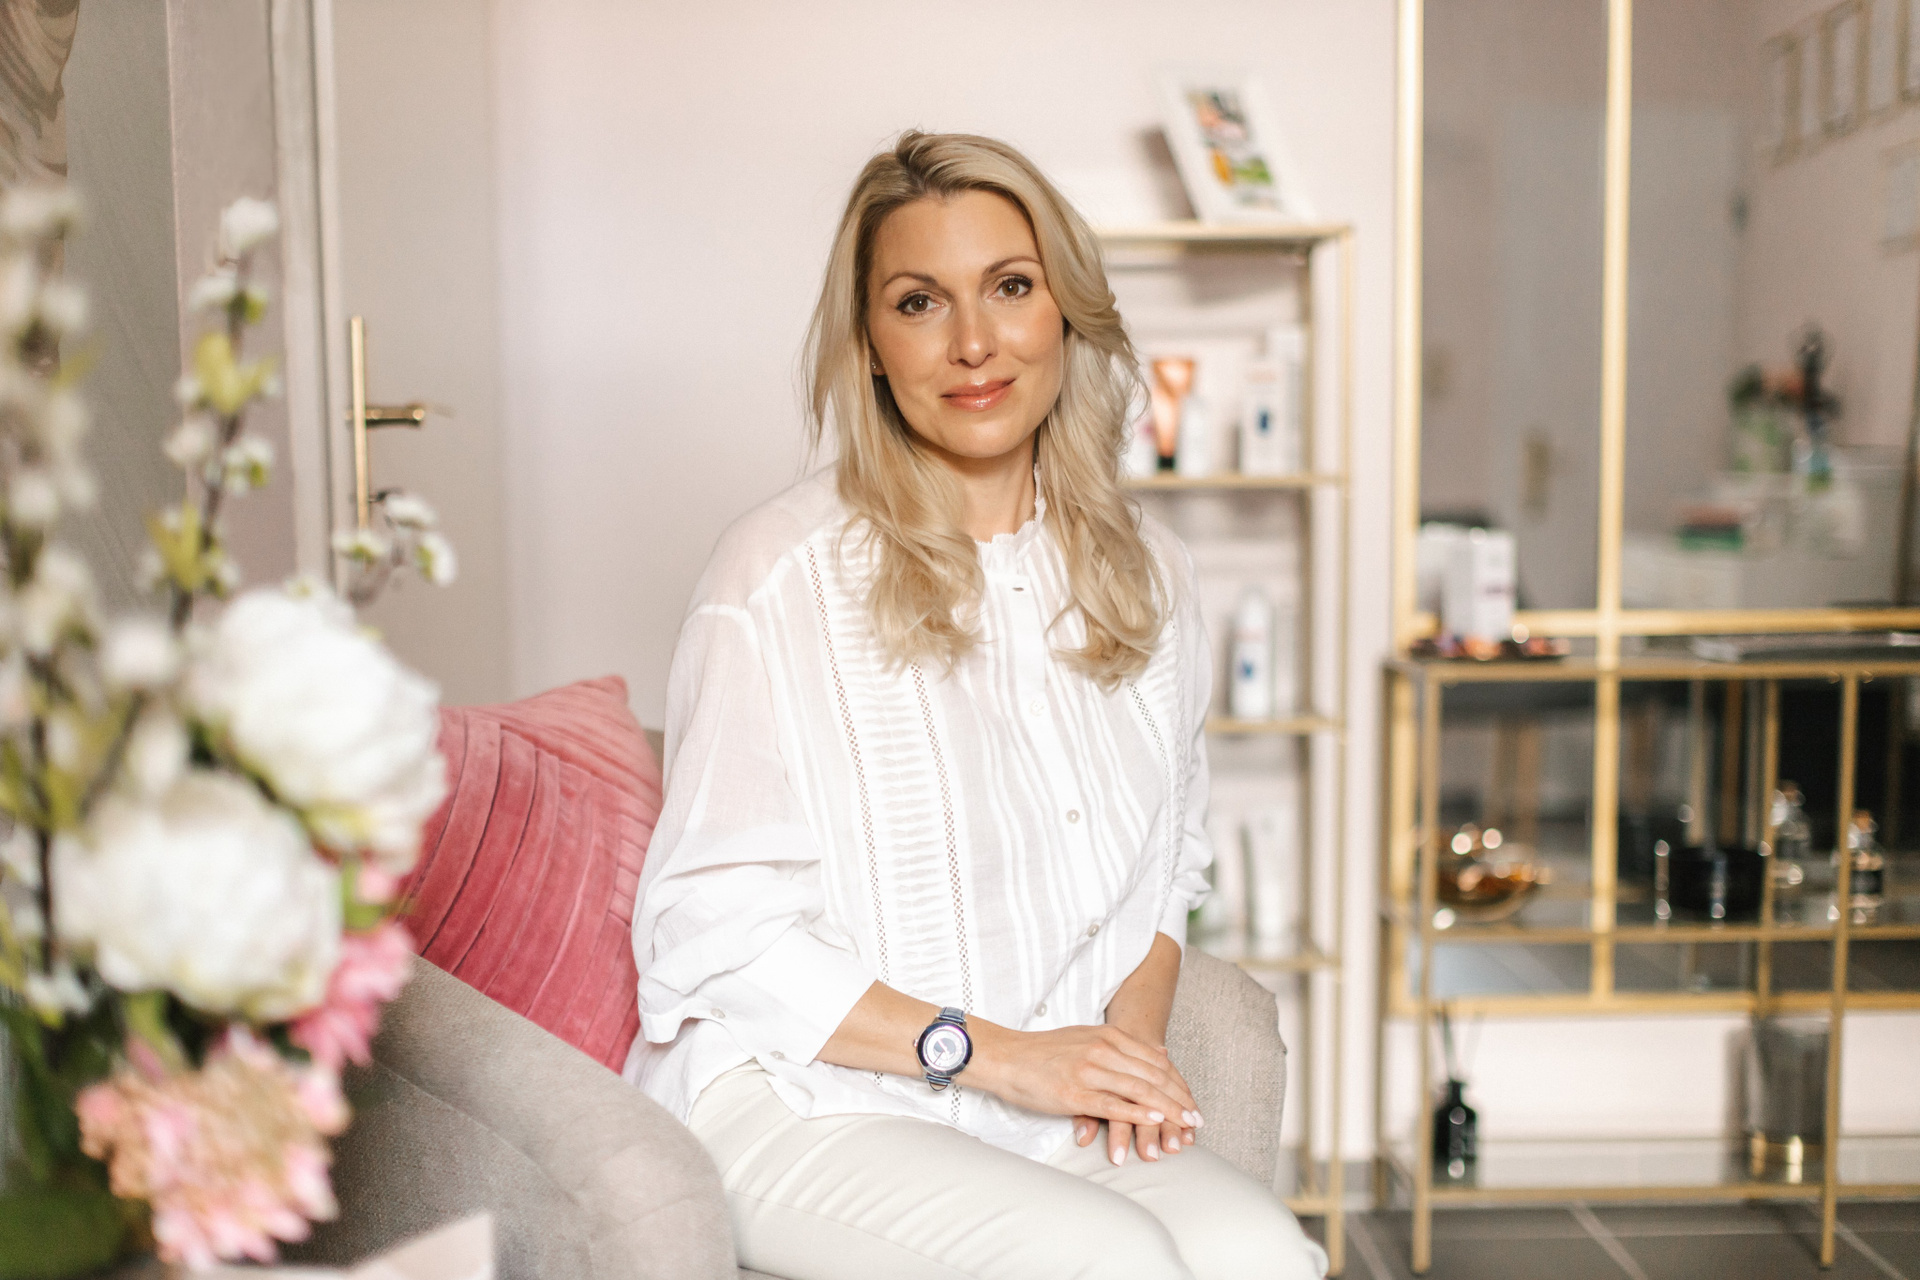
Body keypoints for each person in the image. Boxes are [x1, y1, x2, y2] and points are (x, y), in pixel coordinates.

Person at [627, 130, 1327, 1280]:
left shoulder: (1150, 570)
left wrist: (1126, 1043)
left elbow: (1171, 860)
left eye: (1009, 286)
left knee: (1266, 1256)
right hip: (806, 1094)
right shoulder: (777, 573)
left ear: (1066, 310)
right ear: (870, 345)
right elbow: (712, 928)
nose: (972, 342)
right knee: (1108, 1263)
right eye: (919, 301)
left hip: (1038, 1109)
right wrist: (997, 1054)